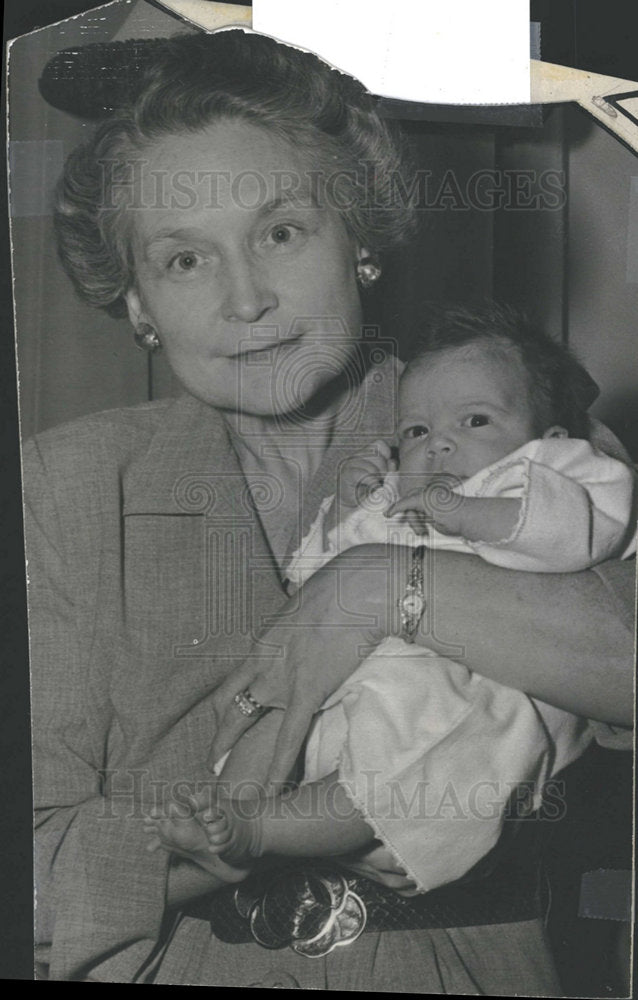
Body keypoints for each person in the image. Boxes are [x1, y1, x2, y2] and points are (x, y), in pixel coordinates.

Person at [23, 29, 634, 989]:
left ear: (360, 243)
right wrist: (251, 840)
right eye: (184, 261)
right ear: (136, 302)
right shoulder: (63, 488)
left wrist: (379, 586)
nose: (249, 301)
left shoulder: (503, 420)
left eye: (280, 233)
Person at [142, 304, 635, 899]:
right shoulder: (403, 491)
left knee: (399, 769)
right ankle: (226, 811)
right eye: (417, 431)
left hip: (476, 692)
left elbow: (570, 534)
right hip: (365, 671)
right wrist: (349, 512)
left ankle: (257, 832)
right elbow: (313, 588)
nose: (441, 445)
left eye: (475, 421)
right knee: (279, 706)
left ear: (550, 440)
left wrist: (465, 513)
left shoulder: (557, 471)